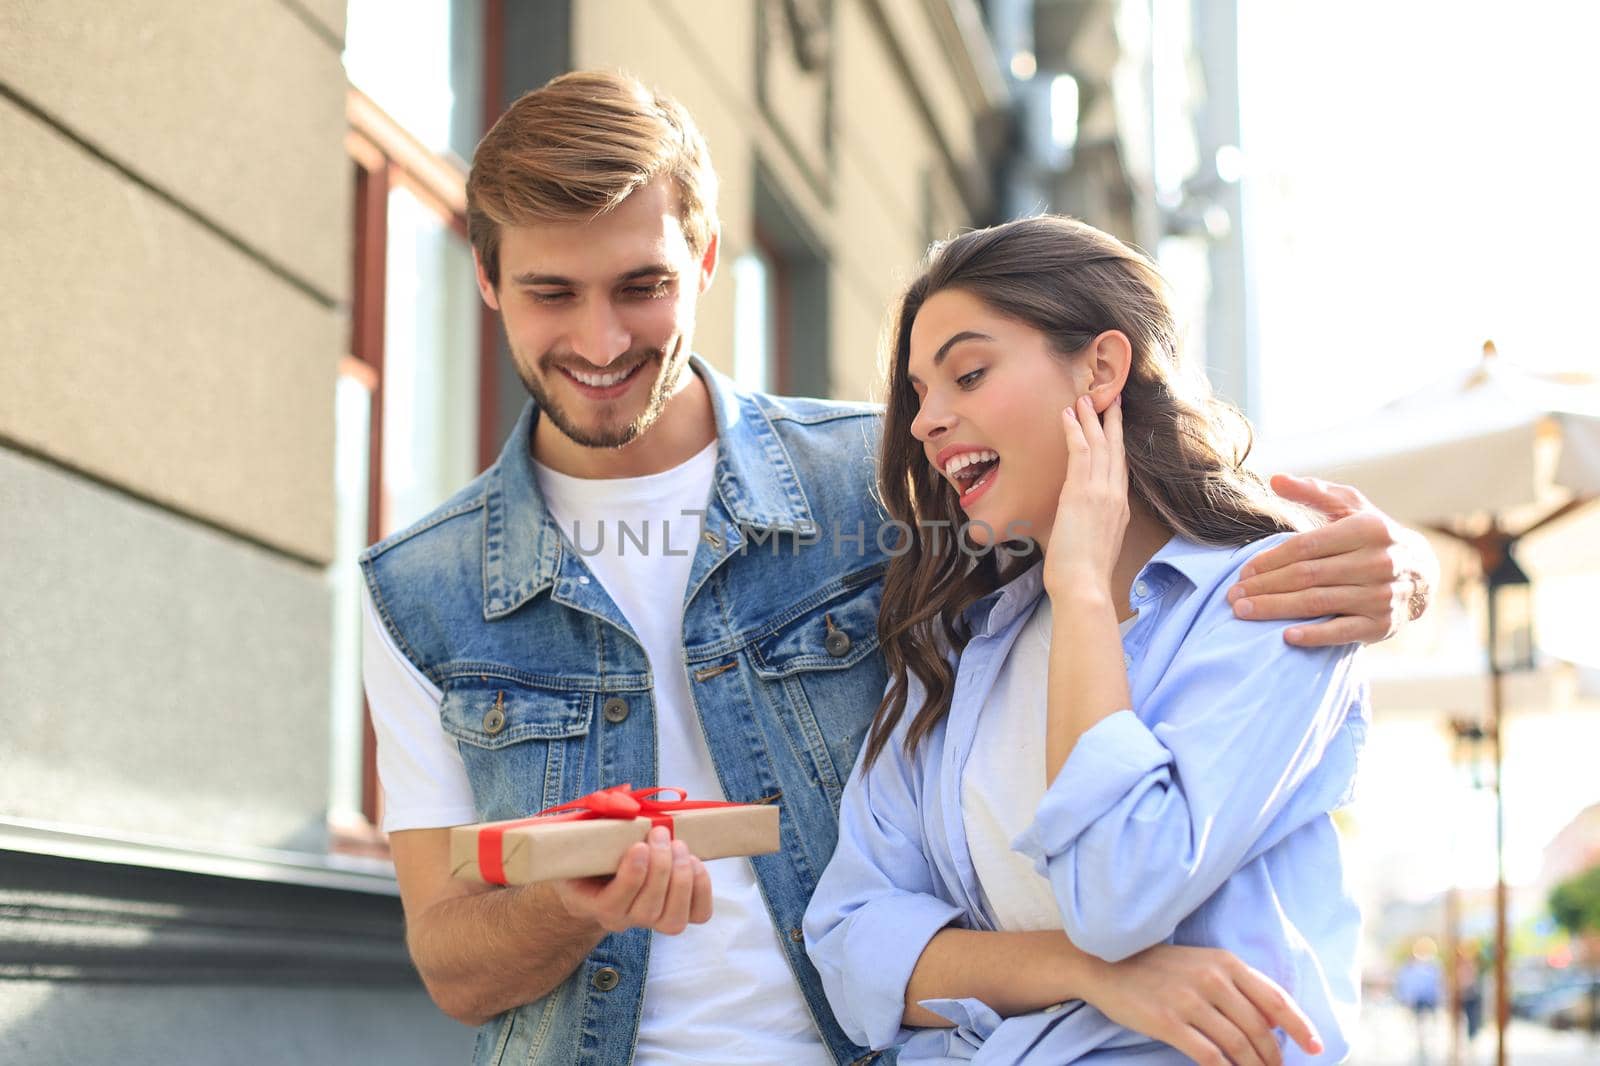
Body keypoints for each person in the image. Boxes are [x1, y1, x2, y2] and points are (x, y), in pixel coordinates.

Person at [361, 71, 1436, 1065]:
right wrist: (571, 900)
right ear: (489, 282)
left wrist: (1403, 570)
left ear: (703, 257)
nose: (599, 338)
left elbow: (1131, 523)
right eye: (553, 292)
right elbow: (452, 963)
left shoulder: (884, 487)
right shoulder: (421, 592)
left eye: (641, 284)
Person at [804, 215, 1377, 1064]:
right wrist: (1088, 973)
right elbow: (852, 946)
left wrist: (1080, 590)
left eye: (968, 373)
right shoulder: (959, 649)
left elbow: (1117, 893)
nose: (925, 423)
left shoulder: (1272, 604)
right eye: (921, 394)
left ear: (1102, 369)